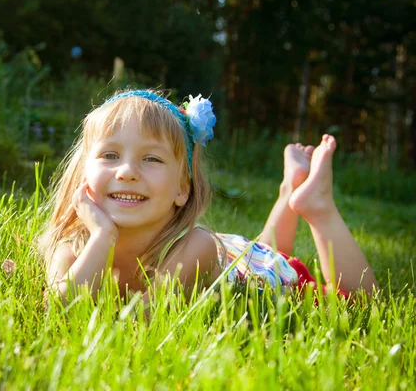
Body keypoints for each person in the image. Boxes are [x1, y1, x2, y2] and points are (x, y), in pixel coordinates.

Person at [39, 89, 378, 304]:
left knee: (358, 302)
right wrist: (101, 237)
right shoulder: (74, 245)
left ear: (182, 189)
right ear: (83, 173)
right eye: (110, 155)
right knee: (263, 246)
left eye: (152, 158)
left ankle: (318, 207)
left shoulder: (195, 247)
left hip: (260, 276)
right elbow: (61, 307)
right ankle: (289, 191)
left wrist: (103, 237)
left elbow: (135, 320)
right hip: (236, 253)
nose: (127, 171)